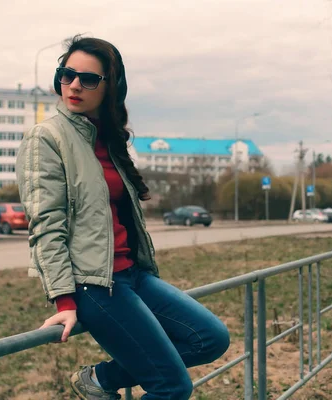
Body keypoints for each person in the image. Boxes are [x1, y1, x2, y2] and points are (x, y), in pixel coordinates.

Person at [16, 36, 230, 400]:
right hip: (93, 284)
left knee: (210, 338)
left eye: (88, 79)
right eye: (67, 75)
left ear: (110, 87)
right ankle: (103, 379)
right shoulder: (47, 138)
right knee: (172, 386)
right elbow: (46, 227)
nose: (74, 86)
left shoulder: (107, 139)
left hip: (132, 274)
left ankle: (99, 379)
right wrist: (64, 301)